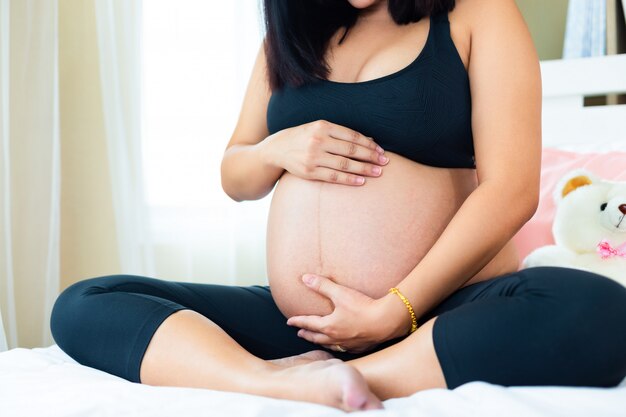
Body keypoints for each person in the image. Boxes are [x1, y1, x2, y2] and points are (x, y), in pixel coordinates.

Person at [50, 0, 626, 412]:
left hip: (440, 313)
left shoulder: (477, 13)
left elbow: (512, 191)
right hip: (306, 326)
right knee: (85, 303)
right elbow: (236, 175)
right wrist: (280, 146)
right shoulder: (293, 34)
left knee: (599, 310)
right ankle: (269, 382)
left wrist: (393, 311)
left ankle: (359, 375)